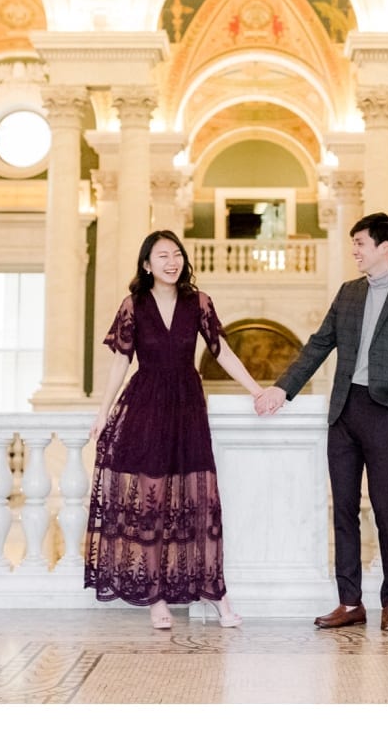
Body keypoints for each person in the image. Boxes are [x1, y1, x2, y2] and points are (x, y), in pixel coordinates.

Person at [254, 212, 388, 633]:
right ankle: (349, 602)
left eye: (360, 243)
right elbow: (318, 345)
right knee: (343, 509)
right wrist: (281, 390)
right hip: (343, 412)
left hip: (382, 411)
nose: (354, 250)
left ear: (384, 247)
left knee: (385, 508)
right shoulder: (348, 294)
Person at [85, 229, 264, 630]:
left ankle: (216, 593)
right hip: (146, 404)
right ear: (147, 265)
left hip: (187, 405)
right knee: (151, 500)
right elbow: (119, 364)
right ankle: (155, 597)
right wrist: (102, 413)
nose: (172, 261)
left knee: (198, 499)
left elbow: (222, 349)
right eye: (162, 255)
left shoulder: (198, 302)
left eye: (177, 254)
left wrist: (256, 390)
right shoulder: (133, 305)